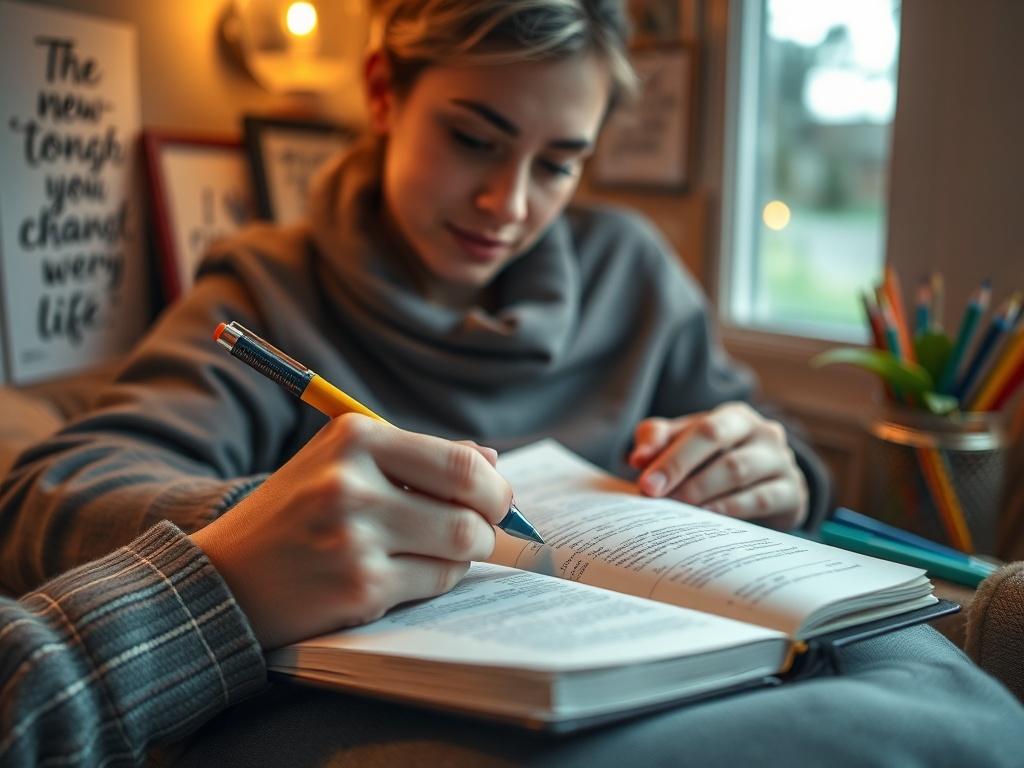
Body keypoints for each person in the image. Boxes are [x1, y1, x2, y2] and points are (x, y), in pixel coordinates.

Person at [0, 1, 1022, 765]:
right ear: (384, 93)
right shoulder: (266, 286)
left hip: (732, 677)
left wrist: (775, 466)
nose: (507, 201)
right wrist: (268, 520)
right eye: (473, 139)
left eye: (559, 163)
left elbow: (756, 429)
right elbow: (48, 492)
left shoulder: (633, 270)